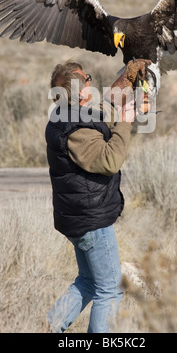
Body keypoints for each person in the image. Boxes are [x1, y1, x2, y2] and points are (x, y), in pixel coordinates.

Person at [45, 59, 150, 333]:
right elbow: (109, 160)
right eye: (87, 79)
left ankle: (46, 328)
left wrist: (124, 83)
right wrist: (126, 122)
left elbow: (102, 113)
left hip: (80, 216)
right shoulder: (76, 129)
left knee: (89, 282)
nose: (91, 82)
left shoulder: (66, 115)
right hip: (91, 221)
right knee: (110, 290)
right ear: (79, 92)